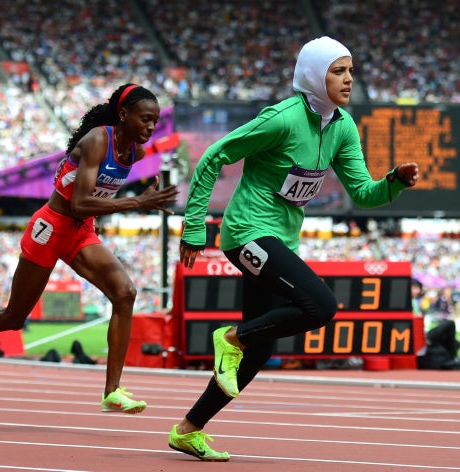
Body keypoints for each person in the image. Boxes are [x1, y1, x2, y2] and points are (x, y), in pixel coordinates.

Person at [167, 36, 419, 461]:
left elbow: (363, 193)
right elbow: (213, 156)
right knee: (320, 305)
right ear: (313, 75)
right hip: (247, 232)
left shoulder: (342, 127)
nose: (348, 79)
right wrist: (195, 228)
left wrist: (393, 180)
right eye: (338, 71)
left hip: (279, 238)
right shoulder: (281, 119)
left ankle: (188, 429)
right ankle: (230, 337)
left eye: (350, 71)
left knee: (261, 346)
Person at [0, 83, 179, 414]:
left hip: (81, 232)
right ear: (124, 115)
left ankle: (112, 391)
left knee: (125, 293)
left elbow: (90, 209)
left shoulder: (135, 153)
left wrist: (141, 200)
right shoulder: (99, 140)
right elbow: (80, 202)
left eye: (155, 121)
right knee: (14, 317)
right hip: (51, 228)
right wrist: (139, 201)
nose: (151, 127)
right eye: (145, 119)